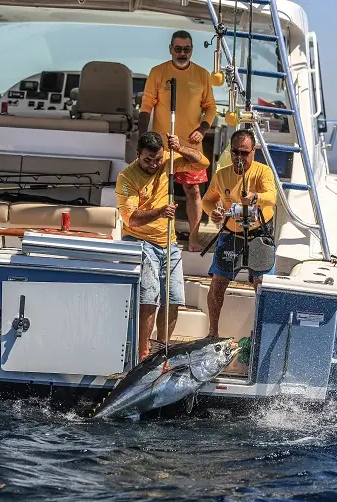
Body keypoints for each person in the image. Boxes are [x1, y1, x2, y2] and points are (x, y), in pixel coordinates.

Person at [116, 131, 210, 361]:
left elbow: (203, 162)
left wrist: (179, 148)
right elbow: (131, 219)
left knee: (174, 296)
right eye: (148, 159)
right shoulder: (126, 177)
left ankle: (162, 349)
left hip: (169, 243)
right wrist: (159, 212)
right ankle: (143, 352)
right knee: (150, 295)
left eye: (157, 159)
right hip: (140, 240)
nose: (153, 164)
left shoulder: (168, 163)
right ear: (137, 155)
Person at [139, 30, 217, 253]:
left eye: (187, 49)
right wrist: (142, 140)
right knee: (155, 191)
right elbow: (146, 107)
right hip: (160, 146)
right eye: (178, 48)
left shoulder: (202, 75)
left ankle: (193, 237)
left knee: (193, 190)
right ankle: (154, 234)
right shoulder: (158, 72)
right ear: (171, 49)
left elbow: (211, 107)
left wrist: (202, 130)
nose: (182, 53)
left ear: (191, 50)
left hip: (189, 147)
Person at [201, 129, 278, 338]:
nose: (239, 157)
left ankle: (261, 333)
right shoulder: (222, 174)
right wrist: (213, 213)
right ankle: (212, 333)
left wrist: (255, 197)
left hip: (258, 233)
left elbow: (272, 197)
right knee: (218, 283)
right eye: (236, 152)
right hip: (230, 233)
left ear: (253, 151)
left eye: (244, 153)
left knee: (261, 285)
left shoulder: (263, 172)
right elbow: (207, 200)